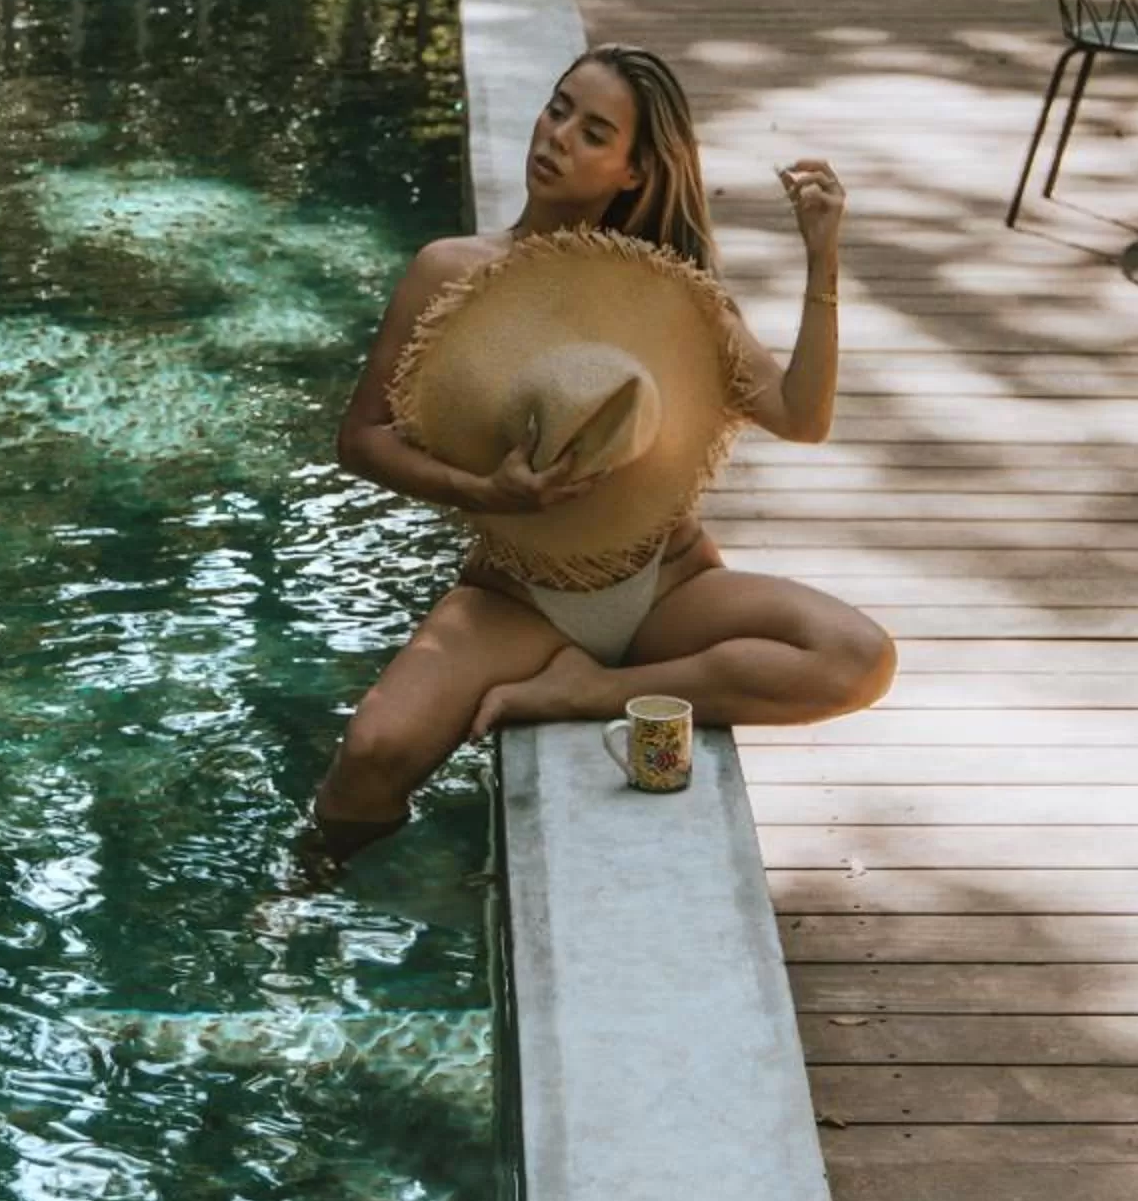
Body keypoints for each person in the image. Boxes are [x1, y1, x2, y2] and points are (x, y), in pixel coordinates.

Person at [304, 42, 895, 865]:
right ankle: (312, 897)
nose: (556, 137)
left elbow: (801, 419)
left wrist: (821, 259)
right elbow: (360, 439)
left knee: (857, 658)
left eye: (593, 132)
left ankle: (591, 692)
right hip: (518, 594)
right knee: (370, 756)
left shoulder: (675, 296)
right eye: (557, 109)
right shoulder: (450, 270)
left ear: (633, 173)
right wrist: (480, 488)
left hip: (667, 581)